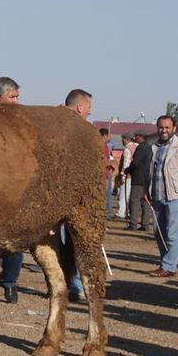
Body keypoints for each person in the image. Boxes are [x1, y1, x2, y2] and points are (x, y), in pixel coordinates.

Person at [0, 76, 23, 306]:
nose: (17, 101)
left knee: (15, 245)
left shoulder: (20, 123)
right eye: (13, 97)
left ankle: (9, 282)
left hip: (14, 193)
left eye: (18, 96)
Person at [147, 115, 178, 277]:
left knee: (173, 233)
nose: (164, 130)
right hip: (157, 196)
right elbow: (151, 173)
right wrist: (146, 191)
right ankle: (165, 263)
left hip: (175, 196)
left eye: (167, 127)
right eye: (161, 127)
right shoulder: (154, 147)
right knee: (158, 232)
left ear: (174, 129)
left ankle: (169, 266)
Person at [62, 88, 96, 303]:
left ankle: (69, 285)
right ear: (80, 107)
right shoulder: (79, 132)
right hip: (70, 196)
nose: (90, 113)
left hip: (66, 195)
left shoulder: (54, 127)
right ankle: (73, 285)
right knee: (75, 242)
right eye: (89, 109)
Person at [126, 130, 153, 231]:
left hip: (138, 178)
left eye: (136, 136)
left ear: (141, 137)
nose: (135, 138)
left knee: (134, 201)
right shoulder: (149, 147)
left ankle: (133, 224)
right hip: (147, 178)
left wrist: (128, 169)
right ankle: (145, 225)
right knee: (145, 202)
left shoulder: (141, 147)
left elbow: (135, 162)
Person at [115, 133, 136, 220]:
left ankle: (121, 213)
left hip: (127, 176)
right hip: (133, 175)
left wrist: (123, 176)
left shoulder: (127, 149)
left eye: (123, 139)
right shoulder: (135, 147)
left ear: (126, 139)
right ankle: (127, 212)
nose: (122, 141)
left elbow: (126, 164)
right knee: (128, 195)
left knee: (123, 194)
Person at [99, 128, 115, 218]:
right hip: (104, 173)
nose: (110, 137)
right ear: (105, 135)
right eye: (109, 135)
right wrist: (109, 164)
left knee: (108, 193)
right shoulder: (102, 146)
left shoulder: (105, 146)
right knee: (106, 194)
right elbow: (103, 159)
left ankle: (108, 211)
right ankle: (107, 212)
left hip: (107, 172)